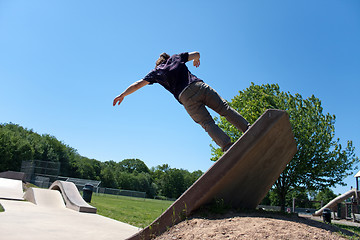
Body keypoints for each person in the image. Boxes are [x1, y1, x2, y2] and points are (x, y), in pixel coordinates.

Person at [113, 51, 250, 152]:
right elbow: (196, 53)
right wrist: (197, 59)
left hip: (185, 97)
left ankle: (228, 147)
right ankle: (248, 129)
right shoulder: (176, 58)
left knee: (207, 123)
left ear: (158, 64)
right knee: (224, 109)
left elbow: (138, 84)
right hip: (198, 86)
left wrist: (123, 94)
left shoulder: (156, 72)